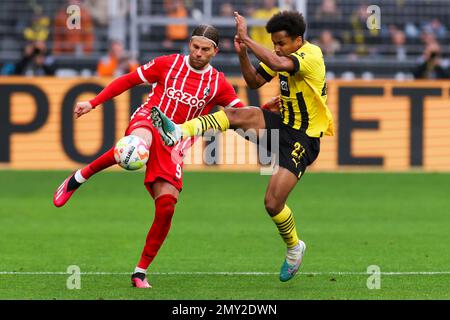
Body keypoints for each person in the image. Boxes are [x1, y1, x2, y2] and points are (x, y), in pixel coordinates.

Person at [52, 25, 262, 288]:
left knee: (166, 206)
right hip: (149, 118)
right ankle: (79, 177)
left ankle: (140, 271)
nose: (198, 53)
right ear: (189, 45)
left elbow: (239, 115)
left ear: (215, 52)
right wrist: (93, 102)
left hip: (175, 143)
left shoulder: (217, 83)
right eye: (195, 47)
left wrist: (263, 111)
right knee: (137, 144)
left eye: (205, 49)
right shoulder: (168, 64)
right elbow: (128, 80)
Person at [151, 10, 334, 282]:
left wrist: (247, 38)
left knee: (272, 203)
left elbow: (274, 60)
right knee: (237, 115)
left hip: (303, 139)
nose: (277, 48)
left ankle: (295, 247)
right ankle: (178, 131)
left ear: (298, 40)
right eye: (274, 43)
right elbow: (254, 81)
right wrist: (241, 53)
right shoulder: (281, 55)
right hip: (281, 125)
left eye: (282, 43)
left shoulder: (312, 55)